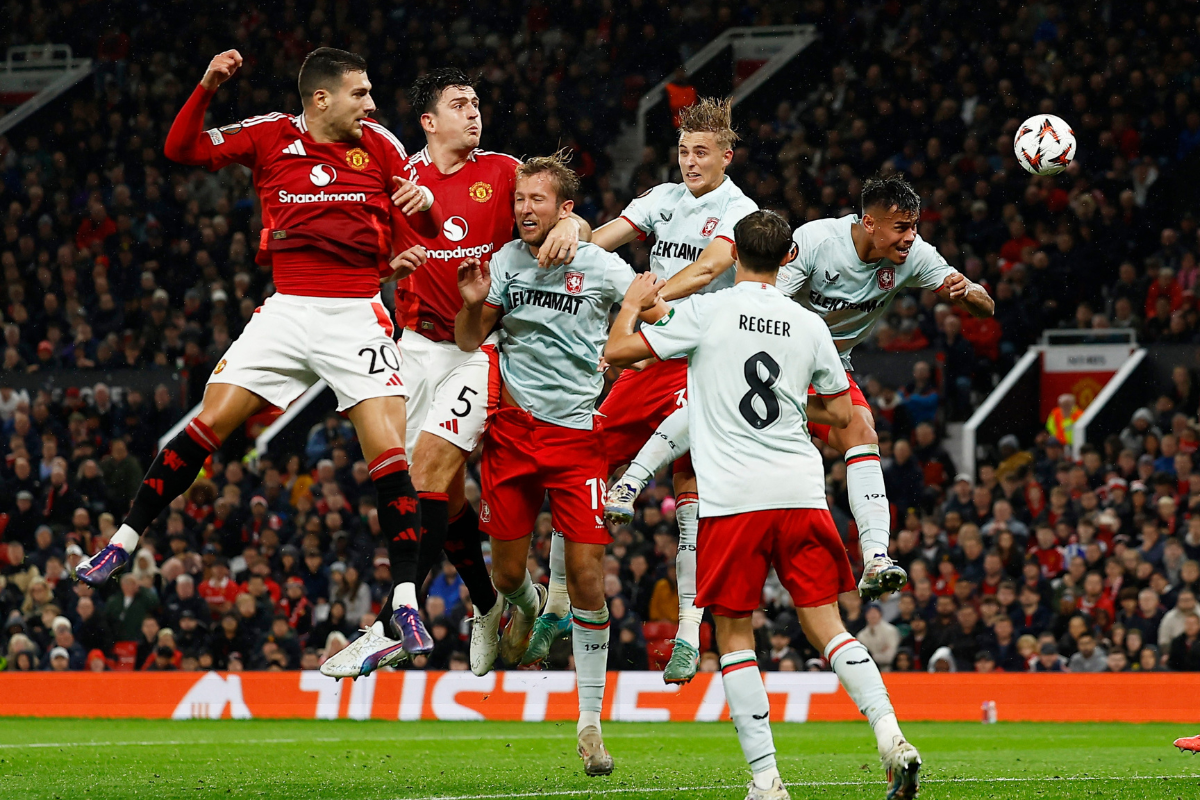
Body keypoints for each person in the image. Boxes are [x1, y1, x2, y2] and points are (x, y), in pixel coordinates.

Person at [73, 48, 436, 659]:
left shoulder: (381, 146)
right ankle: (124, 540)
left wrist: (421, 218)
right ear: (322, 99)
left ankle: (404, 602)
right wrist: (206, 85)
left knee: (389, 452)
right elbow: (180, 150)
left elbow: (414, 231)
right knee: (209, 423)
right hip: (287, 311)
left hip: (356, 314)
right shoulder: (270, 135)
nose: (371, 104)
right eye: (360, 93)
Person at [605, 210, 922, 800]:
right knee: (829, 627)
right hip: (801, 493)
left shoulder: (707, 311)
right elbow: (840, 415)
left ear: (734, 255)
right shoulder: (809, 325)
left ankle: (767, 779)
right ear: (785, 261)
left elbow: (621, 351)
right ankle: (891, 735)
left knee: (733, 638)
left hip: (733, 502)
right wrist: (793, 403)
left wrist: (633, 300)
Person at [605, 175, 995, 612]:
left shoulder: (914, 255)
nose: (911, 236)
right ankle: (630, 484)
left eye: (914, 226)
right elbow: (766, 302)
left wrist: (971, 293)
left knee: (861, 429)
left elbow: (984, 304)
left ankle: (876, 558)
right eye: (901, 227)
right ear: (869, 223)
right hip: (781, 347)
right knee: (717, 400)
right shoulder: (816, 242)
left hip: (830, 364)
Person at [324, 68, 585, 680]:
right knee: (429, 492)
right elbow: (369, 259)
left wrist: (572, 224)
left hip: (482, 348)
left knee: (433, 471)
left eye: (475, 104)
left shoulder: (502, 171)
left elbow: (551, 205)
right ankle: (492, 603)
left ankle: (390, 626)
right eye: (459, 105)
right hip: (413, 349)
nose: (473, 114)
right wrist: (391, 260)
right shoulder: (399, 178)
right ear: (428, 122)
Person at [544, 96, 758, 685]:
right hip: (653, 354)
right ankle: (559, 598)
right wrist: (571, 226)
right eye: (684, 152)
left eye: (701, 153)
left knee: (693, 489)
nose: (690, 163)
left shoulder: (739, 208)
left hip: (704, 355)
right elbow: (603, 235)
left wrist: (648, 300)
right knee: (584, 453)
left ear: (725, 156)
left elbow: (710, 268)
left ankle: (689, 633)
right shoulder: (663, 199)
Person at [454, 153, 650, 776]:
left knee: (591, 581)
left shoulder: (599, 265)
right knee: (508, 575)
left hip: (577, 443)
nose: (523, 210)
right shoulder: (506, 262)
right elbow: (466, 338)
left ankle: (589, 724)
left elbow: (653, 306)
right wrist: (470, 303)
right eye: (519, 200)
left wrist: (633, 342)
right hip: (511, 437)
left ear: (564, 209)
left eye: (537, 200)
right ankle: (530, 600)